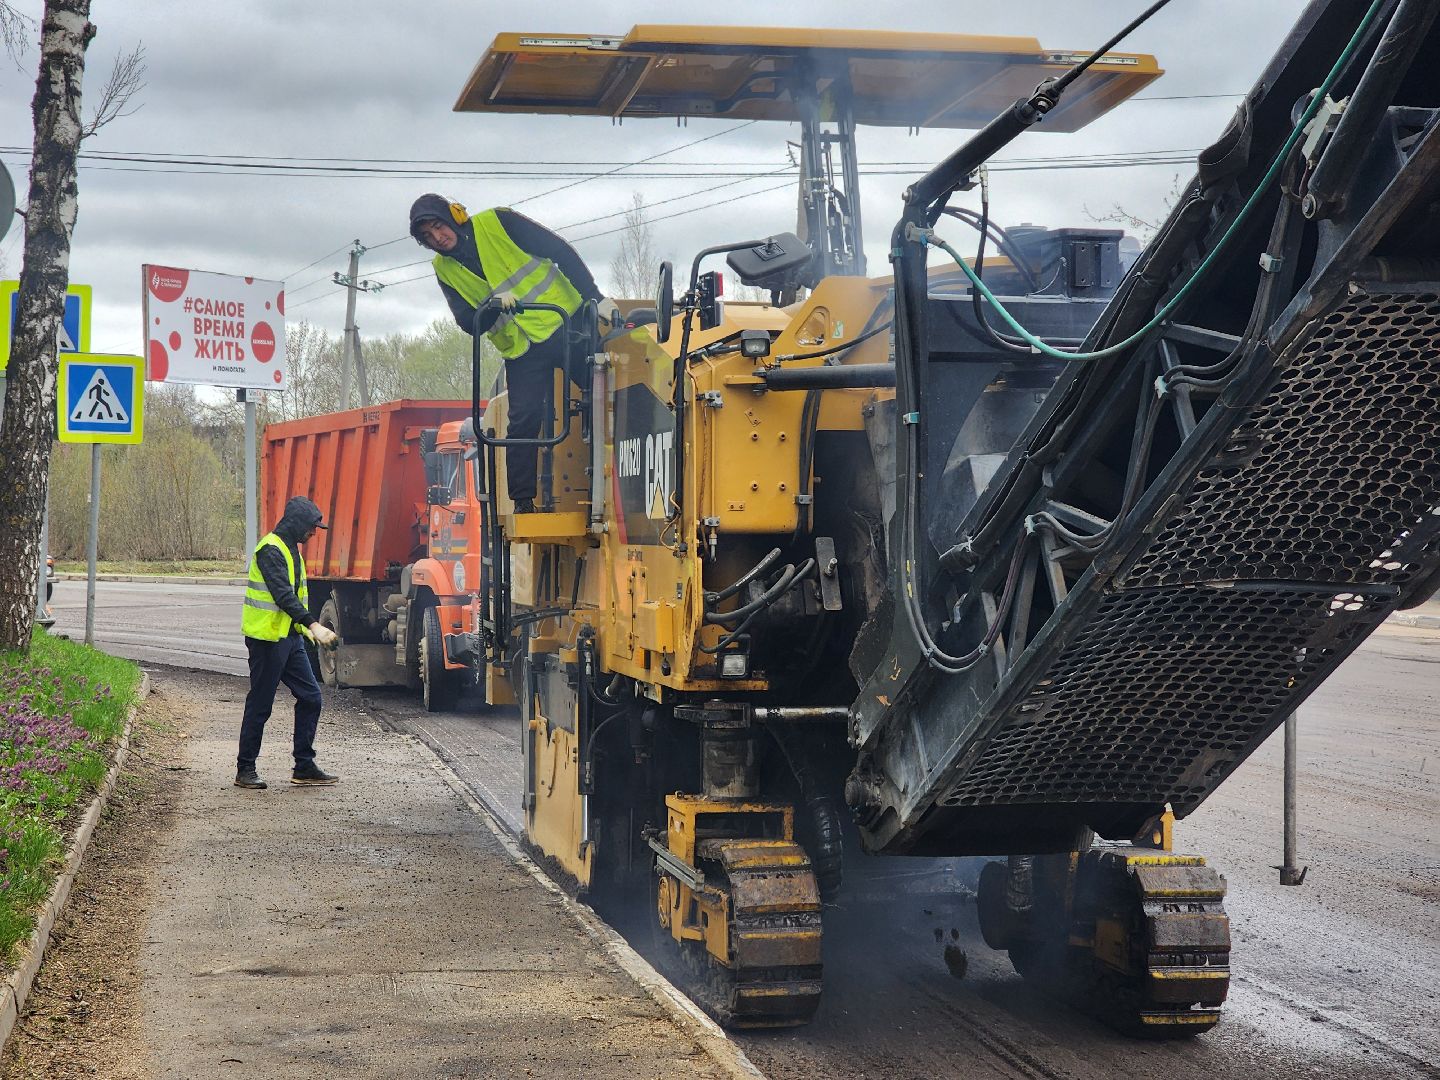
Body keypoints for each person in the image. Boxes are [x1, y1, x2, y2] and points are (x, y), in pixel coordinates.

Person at [408, 193, 618, 513]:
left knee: (603, 390)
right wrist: (489, 308)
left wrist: (595, 296)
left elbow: (558, 250)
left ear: (455, 215)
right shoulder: (443, 269)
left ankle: (616, 474)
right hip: (522, 349)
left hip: (564, 323)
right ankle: (522, 501)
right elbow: (468, 323)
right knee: (522, 421)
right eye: (427, 236)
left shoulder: (499, 222)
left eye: (439, 226)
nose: (437, 237)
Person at [236, 496, 340, 790]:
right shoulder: (270, 550)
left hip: (290, 638)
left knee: (311, 697)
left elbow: (294, 597)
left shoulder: (291, 548)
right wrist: (314, 625)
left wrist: (304, 630)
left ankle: (304, 766)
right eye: (312, 527)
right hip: (267, 640)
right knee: (261, 704)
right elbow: (283, 595)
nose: (314, 532)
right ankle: (245, 770)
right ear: (296, 524)